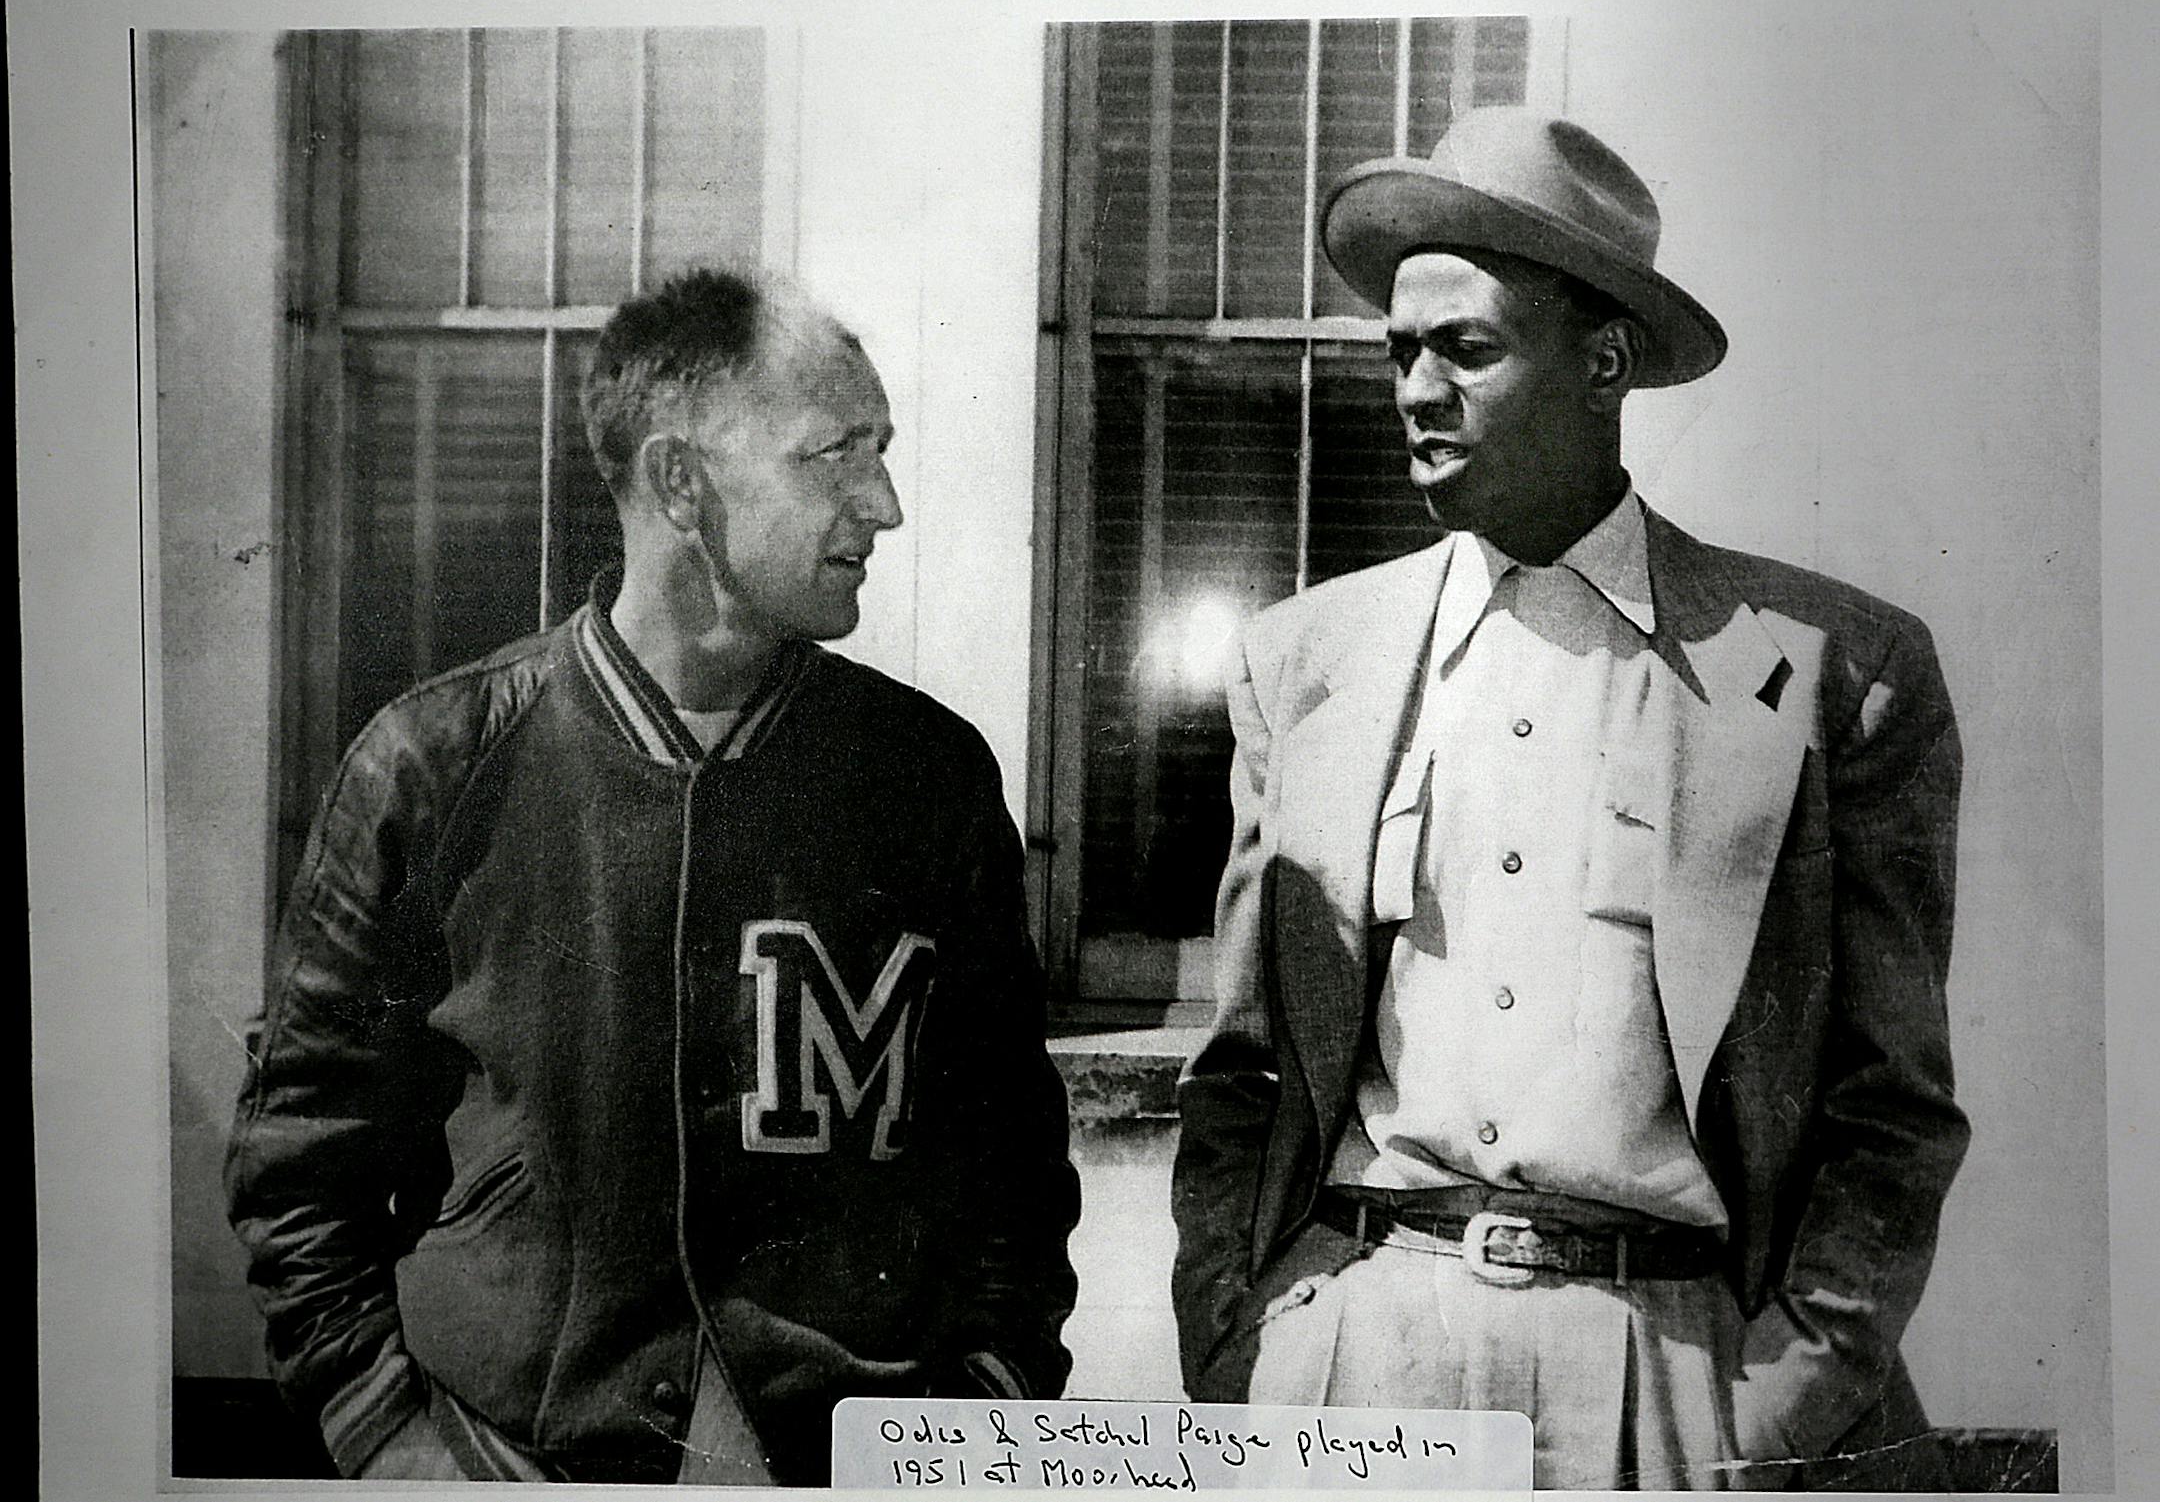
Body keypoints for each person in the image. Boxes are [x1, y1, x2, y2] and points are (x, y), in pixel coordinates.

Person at [1169, 108, 1968, 1492]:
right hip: (1359, 1351)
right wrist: (1242, 1338)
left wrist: (1782, 1396)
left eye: (1466, 349)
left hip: (1668, 1369)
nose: (1416, 389)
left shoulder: (1835, 671)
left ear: (1604, 362)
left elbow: (1890, 1108)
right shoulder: (1303, 665)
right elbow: (1242, 1072)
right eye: (1400, 351)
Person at [226, 266, 1080, 1486]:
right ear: (683, 482)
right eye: (833, 454)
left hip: (855, 1466)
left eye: (880, 452)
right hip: (504, 1454)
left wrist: (981, 1417)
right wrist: (392, 1444)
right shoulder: (434, 763)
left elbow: (1010, 1167)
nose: (883, 504)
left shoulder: (926, 777)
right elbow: (300, 1158)